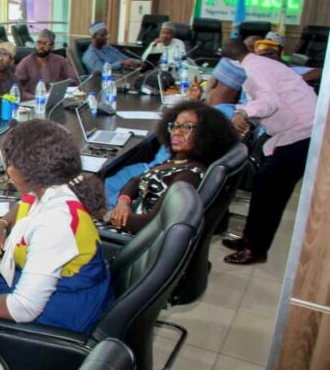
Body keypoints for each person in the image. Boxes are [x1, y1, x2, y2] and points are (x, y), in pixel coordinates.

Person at [0, 120, 113, 370]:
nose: (7, 169)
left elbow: (23, 308)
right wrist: (0, 224)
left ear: (25, 170)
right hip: (54, 294)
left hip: (54, 318)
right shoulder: (53, 190)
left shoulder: (55, 223)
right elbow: (23, 203)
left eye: (9, 163)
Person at [220, 39, 317, 264]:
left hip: (301, 135)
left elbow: (269, 102)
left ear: (231, 61)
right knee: (264, 189)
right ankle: (248, 240)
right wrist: (249, 119)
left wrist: (242, 113)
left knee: (270, 195)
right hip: (294, 134)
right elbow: (265, 103)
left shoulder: (254, 69)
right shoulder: (259, 64)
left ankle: (256, 249)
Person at [109, 101, 239, 234]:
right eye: (175, 126)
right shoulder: (180, 160)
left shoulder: (188, 176)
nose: (177, 132)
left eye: (187, 127)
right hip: (127, 216)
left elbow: (152, 223)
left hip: (130, 235)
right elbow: (137, 180)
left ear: (207, 134)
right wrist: (123, 202)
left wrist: (108, 216)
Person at [14, 28, 78, 93]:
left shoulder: (60, 61)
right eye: (39, 42)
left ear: (52, 47)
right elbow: (16, 87)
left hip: (55, 97)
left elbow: (73, 80)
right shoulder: (25, 63)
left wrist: (59, 87)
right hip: (32, 99)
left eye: (45, 43)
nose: (41, 46)